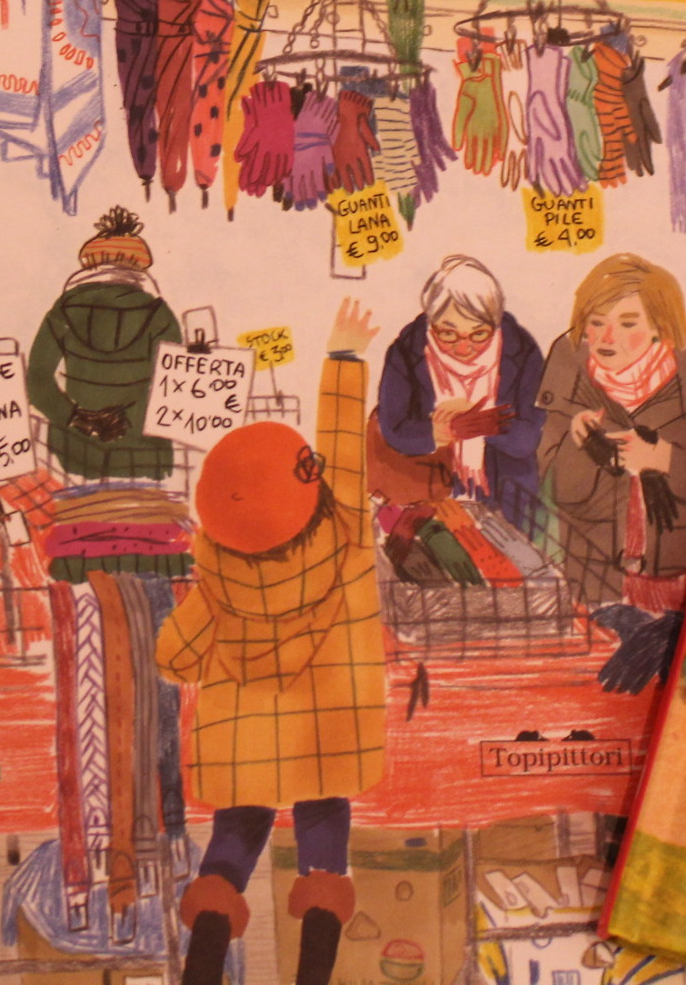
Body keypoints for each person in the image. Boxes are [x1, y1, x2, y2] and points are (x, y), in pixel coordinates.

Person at [160, 299, 385, 985]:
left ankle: (202, 972)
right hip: (329, 730)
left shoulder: (217, 579)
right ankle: (313, 974)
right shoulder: (347, 535)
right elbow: (345, 452)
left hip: (243, 743)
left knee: (231, 845)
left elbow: (173, 657)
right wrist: (343, 357)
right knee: (324, 835)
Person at [535, 252, 686, 694]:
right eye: (596, 322)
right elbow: (558, 492)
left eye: (627, 323)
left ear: (660, 326)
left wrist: (665, 460)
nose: (607, 337)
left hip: (681, 581)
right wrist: (577, 444)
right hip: (598, 587)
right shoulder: (570, 381)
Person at [370, 255, 547, 533]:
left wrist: (477, 422)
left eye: (479, 334)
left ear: (495, 325)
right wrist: (435, 432)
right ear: (431, 323)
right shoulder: (406, 351)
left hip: (508, 498)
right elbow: (393, 429)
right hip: (429, 495)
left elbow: (528, 437)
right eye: (448, 334)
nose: (464, 348)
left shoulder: (522, 351)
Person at [27, 207, 185, 479]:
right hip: (143, 453)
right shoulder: (159, 313)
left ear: (90, 263)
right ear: (139, 265)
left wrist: (78, 419)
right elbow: (174, 386)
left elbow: (37, 379)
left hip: (75, 453)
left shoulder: (63, 309)